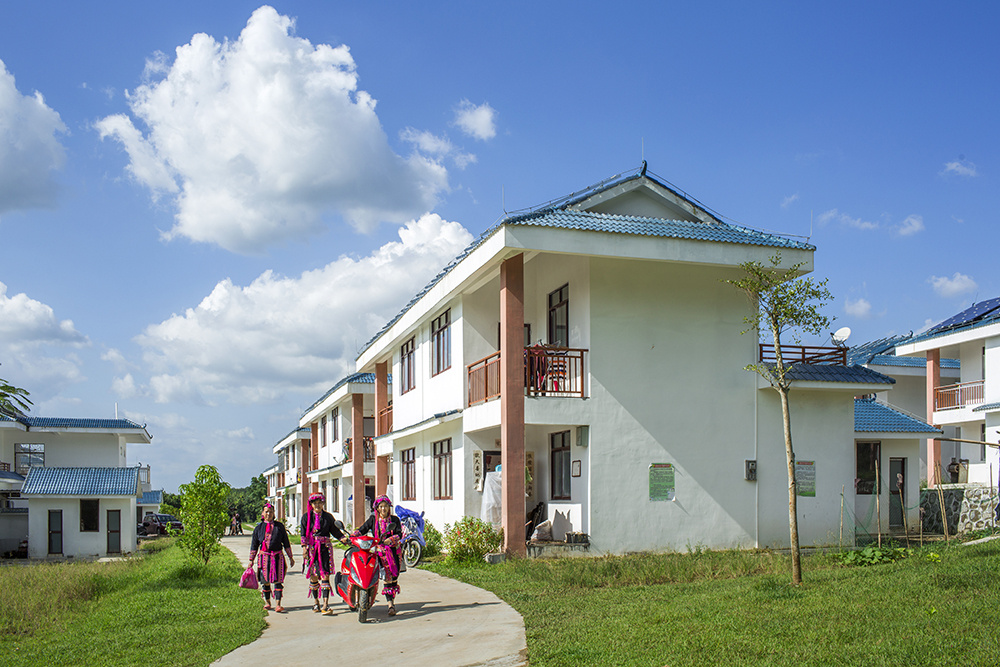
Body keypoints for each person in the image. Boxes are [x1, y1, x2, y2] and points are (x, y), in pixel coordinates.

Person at [354, 494, 403, 616]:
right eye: (380, 506)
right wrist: (354, 535)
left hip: (392, 553)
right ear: (377, 508)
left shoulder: (395, 520)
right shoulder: (373, 520)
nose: (383, 509)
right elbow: (362, 529)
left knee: (391, 579)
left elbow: (399, 535)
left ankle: (391, 605)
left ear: (389, 507)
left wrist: (389, 540)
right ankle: (362, 598)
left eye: (385, 506)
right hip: (377, 552)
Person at [300, 492, 347, 614]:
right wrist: (304, 548)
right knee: (314, 577)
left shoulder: (328, 517)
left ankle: (325, 605)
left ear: (323, 503)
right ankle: (316, 603)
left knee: (325, 576)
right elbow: (303, 533)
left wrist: (342, 538)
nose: (317, 505)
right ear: (311, 504)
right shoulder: (306, 517)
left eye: (320, 503)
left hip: (325, 549)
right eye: (315, 503)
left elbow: (334, 531)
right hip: (312, 550)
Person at [248, 503, 295, 612]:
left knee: (278, 581)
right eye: (266, 511)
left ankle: (278, 604)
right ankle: (267, 603)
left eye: (271, 512)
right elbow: (254, 545)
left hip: (277, 557)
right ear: (262, 513)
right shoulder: (258, 528)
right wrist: (251, 560)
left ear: (274, 514)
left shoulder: (279, 527)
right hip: (264, 558)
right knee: (265, 582)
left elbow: (286, 542)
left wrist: (290, 557)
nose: (268, 513)